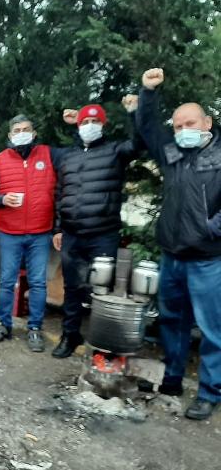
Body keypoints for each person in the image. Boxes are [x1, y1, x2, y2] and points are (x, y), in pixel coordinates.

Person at [135, 67, 221, 421]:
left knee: (213, 329)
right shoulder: (170, 152)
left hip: (207, 259)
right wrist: (148, 92)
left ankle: (209, 392)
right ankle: (172, 378)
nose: (183, 131)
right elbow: (147, 127)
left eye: (190, 124)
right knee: (172, 320)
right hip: (172, 256)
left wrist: (212, 228)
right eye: (178, 126)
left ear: (208, 123)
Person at [50, 98, 144, 358]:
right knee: (72, 287)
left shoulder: (115, 151)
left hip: (103, 234)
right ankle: (70, 335)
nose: (89, 126)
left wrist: (135, 113)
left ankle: (103, 343)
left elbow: (139, 144)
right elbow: (61, 193)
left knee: (102, 290)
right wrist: (58, 228)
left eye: (95, 122)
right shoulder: (68, 157)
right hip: (72, 233)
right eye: (85, 122)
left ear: (103, 125)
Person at [0, 115, 60, 352]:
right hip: (9, 232)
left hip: (40, 231)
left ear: (34, 134)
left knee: (37, 282)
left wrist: (58, 227)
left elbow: (60, 191)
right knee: (6, 281)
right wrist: (2, 199)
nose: (22, 133)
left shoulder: (48, 155)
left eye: (26, 129)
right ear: (10, 136)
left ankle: (34, 329)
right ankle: (3, 325)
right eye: (17, 130)